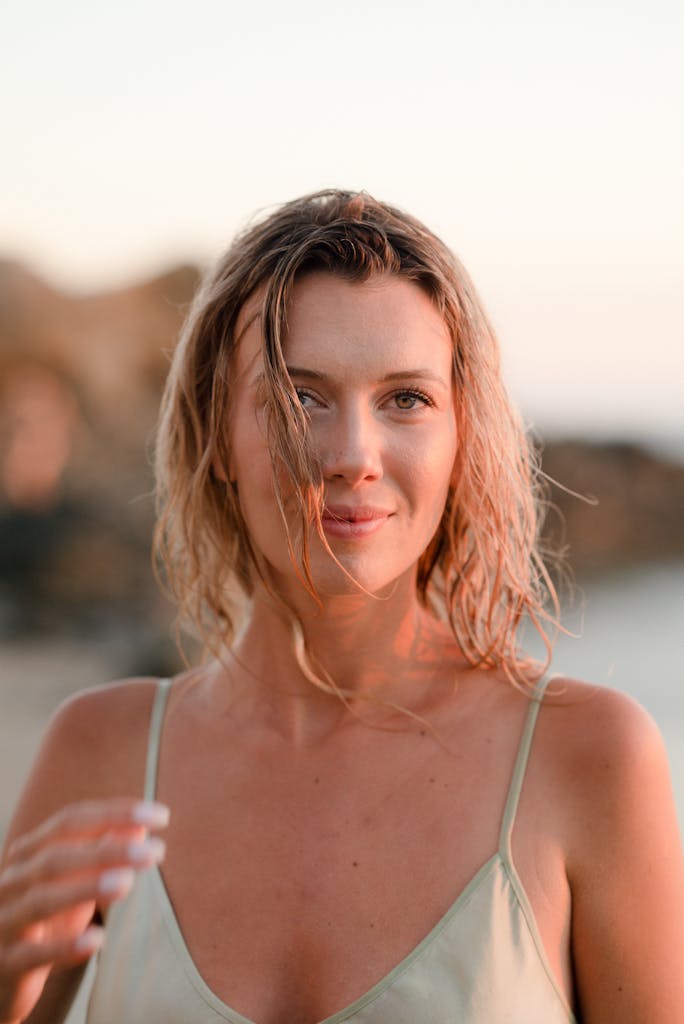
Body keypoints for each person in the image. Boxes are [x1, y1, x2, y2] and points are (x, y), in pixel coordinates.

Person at [0, 190, 682, 1024]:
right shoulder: (98, 754)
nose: (355, 455)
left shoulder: (589, 760)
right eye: (301, 397)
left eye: (407, 399)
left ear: (461, 435)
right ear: (216, 435)